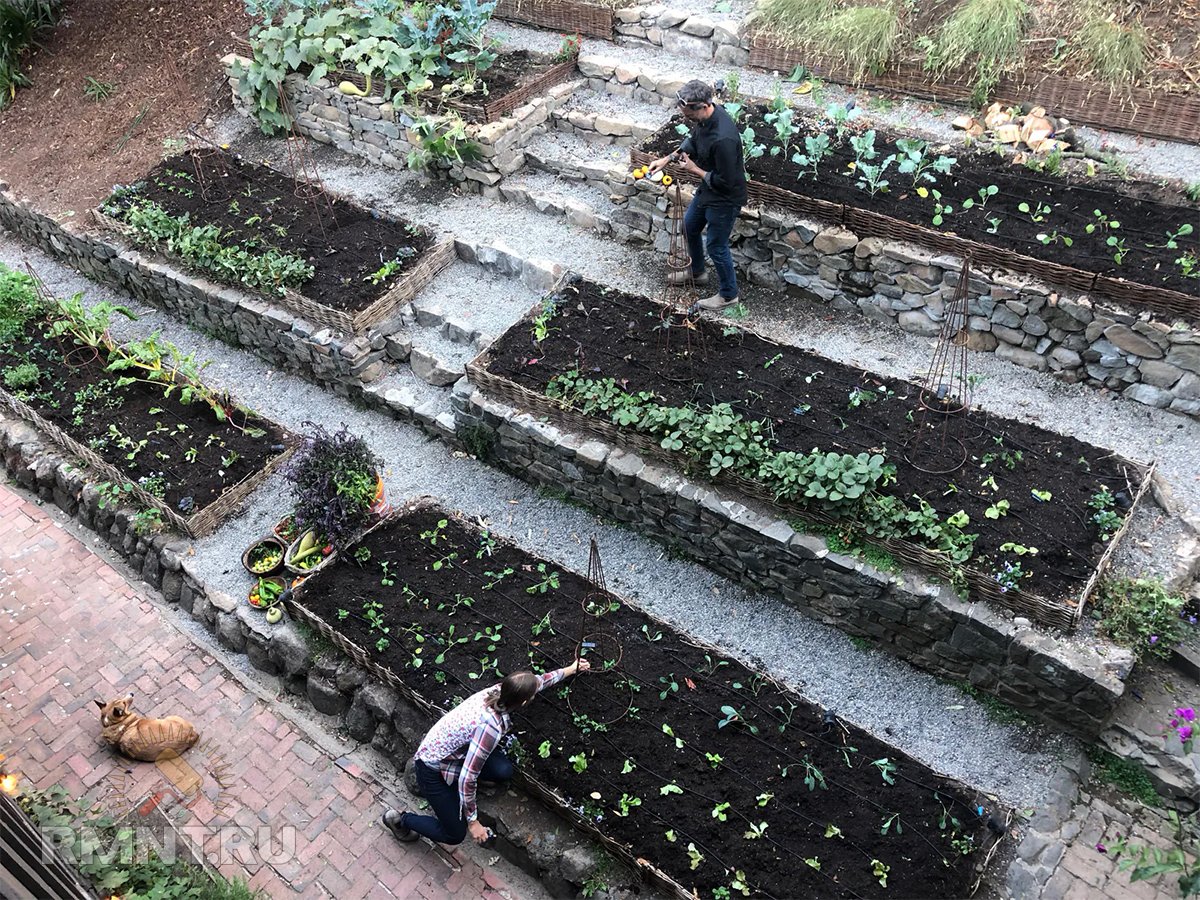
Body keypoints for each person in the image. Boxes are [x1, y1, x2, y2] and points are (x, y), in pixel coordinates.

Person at [382, 657, 591, 845]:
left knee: (503, 770)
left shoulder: (499, 691)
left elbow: (539, 681)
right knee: (454, 834)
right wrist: (473, 822)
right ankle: (402, 821)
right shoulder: (490, 727)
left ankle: (455, 794)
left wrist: (570, 669)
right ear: (525, 702)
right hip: (432, 767)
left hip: (454, 753)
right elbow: (467, 777)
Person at [646, 79, 748, 311]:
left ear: (702, 106)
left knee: (716, 245)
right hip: (708, 189)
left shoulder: (724, 139)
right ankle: (698, 272)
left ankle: (729, 295)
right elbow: (693, 141)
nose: (686, 119)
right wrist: (666, 159)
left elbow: (726, 181)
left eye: (689, 116)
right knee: (689, 226)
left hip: (725, 197)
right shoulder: (706, 118)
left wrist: (694, 169)